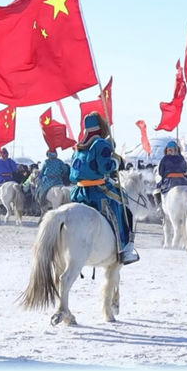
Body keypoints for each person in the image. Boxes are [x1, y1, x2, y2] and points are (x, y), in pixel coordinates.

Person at [69, 112, 139, 264]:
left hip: (78, 192)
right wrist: (116, 160)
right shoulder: (100, 144)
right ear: (101, 127)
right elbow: (105, 167)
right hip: (97, 191)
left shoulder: (78, 147)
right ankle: (125, 250)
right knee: (123, 207)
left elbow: (72, 174)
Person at [155, 140, 187, 205]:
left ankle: (159, 207)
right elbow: (185, 169)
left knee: (157, 189)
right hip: (183, 180)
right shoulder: (181, 158)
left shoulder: (165, 158)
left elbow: (161, 172)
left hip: (169, 181)